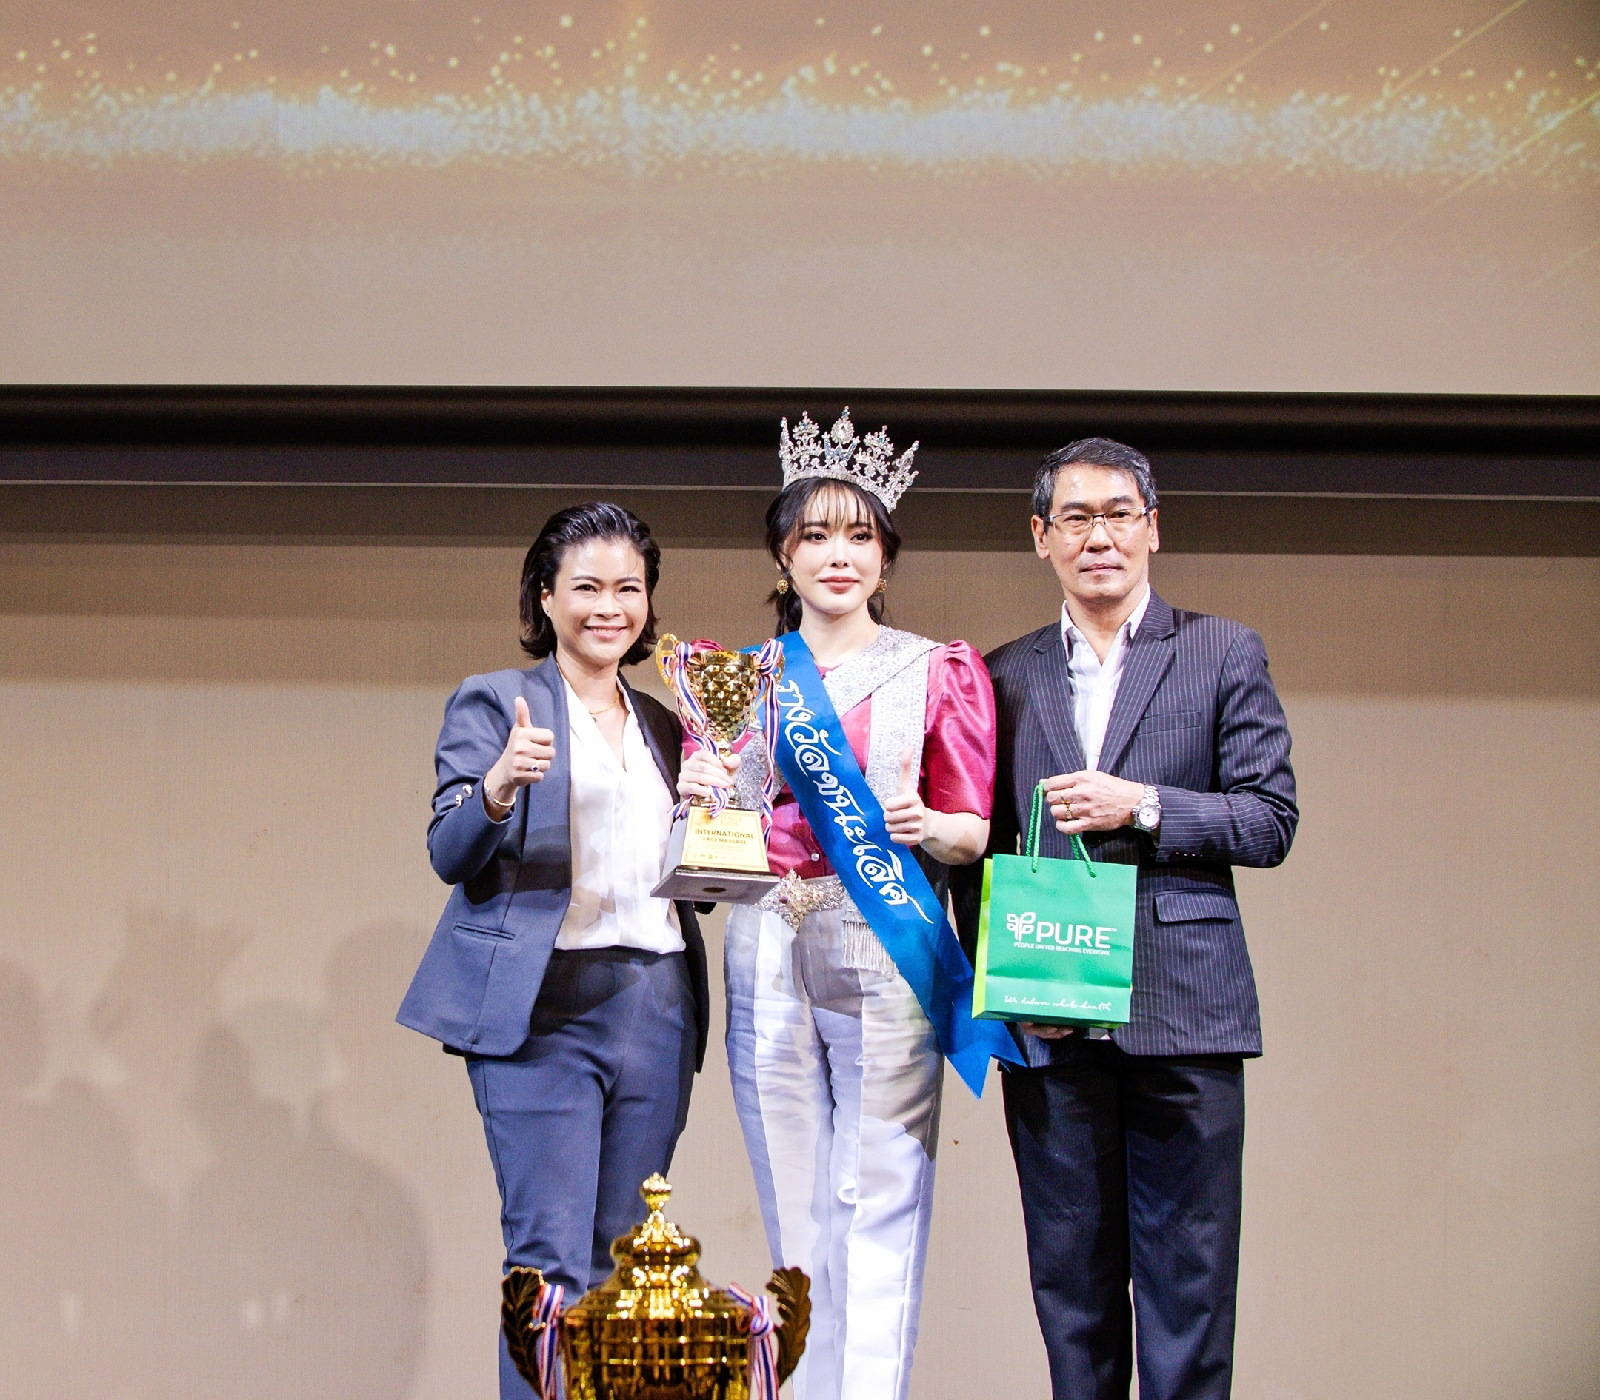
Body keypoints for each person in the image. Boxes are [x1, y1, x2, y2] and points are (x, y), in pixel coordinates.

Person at [951, 438, 1298, 1400]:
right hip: (1050, 1014)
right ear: (1041, 537)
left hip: (1184, 1014)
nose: (1097, 536)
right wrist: (1003, 982)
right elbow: (978, 849)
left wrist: (1141, 805)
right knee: (1072, 1292)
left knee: (1191, 1287)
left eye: (1118, 515)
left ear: (1153, 528)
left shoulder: (1222, 650)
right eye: (1075, 518)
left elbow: (1270, 819)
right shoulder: (1002, 674)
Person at [679, 408, 1015, 1400]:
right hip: (764, 938)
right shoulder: (742, 677)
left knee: (878, 1197)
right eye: (816, 534)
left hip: (882, 936)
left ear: (885, 555)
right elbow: (718, 837)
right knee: (792, 1205)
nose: (838, 554)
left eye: (860, 535)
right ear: (783, 554)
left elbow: (972, 831)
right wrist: (700, 796)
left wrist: (930, 826)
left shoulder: (936, 669)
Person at [396, 502, 710, 1400]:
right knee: (547, 1258)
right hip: (542, 1008)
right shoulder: (498, 700)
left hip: (655, 1003)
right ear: (545, 595)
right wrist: (497, 786)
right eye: (587, 588)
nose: (610, 608)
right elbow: (449, 852)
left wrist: (714, 815)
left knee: (627, 1261)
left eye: (628, 588)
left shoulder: (666, 724)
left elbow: (694, 884)